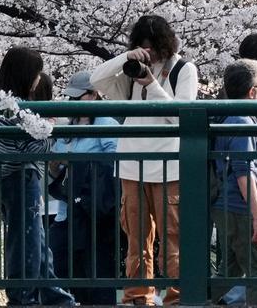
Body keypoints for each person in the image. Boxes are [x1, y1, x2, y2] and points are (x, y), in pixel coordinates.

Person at [91, 15, 199, 306]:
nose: (148, 53)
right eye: (142, 47)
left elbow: (179, 116)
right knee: (136, 239)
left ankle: (178, 297)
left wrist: (151, 83)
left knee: (173, 238)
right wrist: (125, 58)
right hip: (131, 165)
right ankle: (139, 296)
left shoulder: (183, 69)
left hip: (169, 166)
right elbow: (95, 80)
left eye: (152, 47)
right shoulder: (130, 75)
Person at [0, 47, 75, 306]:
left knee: (37, 242)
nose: (38, 78)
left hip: (9, 178)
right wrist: (50, 130)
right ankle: (23, 298)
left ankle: (56, 298)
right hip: (21, 177)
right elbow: (32, 148)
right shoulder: (16, 110)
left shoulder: (3, 104)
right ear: (25, 75)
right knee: (27, 243)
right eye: (35, 72)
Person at [48, 70, 121, 307]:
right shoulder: (67, 127)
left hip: (93, 211)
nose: (73, 103)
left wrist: (81, 164)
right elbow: (54, 172)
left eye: (78, 97)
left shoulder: (106, 123)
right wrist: (56, 166)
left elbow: (115, 162)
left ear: (93, 95)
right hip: (66, 210)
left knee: (96, 273)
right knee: (63, 268)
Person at [212, 60, 257, 306]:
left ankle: (190, 301)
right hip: (242, 209)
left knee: (230, 270)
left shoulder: (229, 117)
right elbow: (243, 174)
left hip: (228, 207)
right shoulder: (242, 122)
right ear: (252, 91)